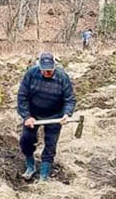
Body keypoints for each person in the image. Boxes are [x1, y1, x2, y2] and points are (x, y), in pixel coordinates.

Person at [17, 52, 77, 182]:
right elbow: (22, 97)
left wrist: (67, 114)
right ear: (39, 67)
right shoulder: (31, 74)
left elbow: (70, 99)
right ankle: (30, 166)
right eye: (44, 70)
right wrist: (27, 116)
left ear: (54, 66)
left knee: (50, 145)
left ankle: (44, 175)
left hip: (55, 115)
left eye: (49, 70)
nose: (47, 73)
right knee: (26, 141)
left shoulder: (62, 77)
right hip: (33, 114)